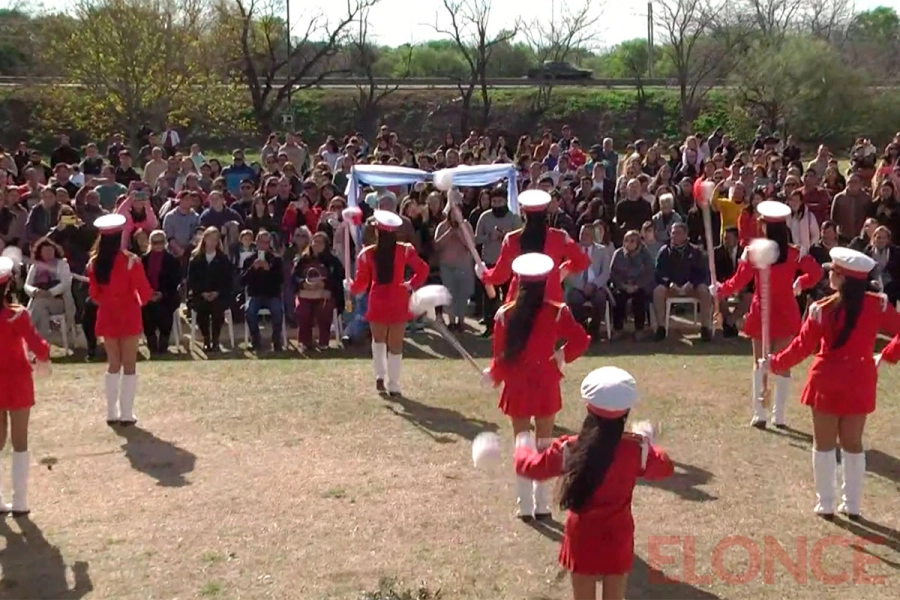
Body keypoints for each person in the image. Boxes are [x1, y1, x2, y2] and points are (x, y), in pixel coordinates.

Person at [514, 367, 674, 600]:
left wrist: (522, 444)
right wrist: (647, 442)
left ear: (588, 407)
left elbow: (531, 468)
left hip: (582, 536)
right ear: (626, 410)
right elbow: (665, 467)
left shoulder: (570, 448)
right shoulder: (636, 450)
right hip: (618, 536)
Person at [768, 248, 900, 520]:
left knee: (824, 444)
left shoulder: (822, 309)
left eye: (833, 271)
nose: (829, 274)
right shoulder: (878, 305)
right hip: (859, 380)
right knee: (853, 443)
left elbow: (802, 347)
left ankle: (826, 503)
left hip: (827, 380)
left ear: (842, 278)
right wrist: (887, 355)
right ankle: (852, 504)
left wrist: (774, 362)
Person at [483, 253, 590, 521]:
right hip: (545, 381)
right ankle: (541, 504)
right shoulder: (557, 311)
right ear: (544, 283)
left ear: (519, 282)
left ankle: (525, 505)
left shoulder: (505, 314)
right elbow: (580, 340)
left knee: (522, 442)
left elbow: (500, 357)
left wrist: (492, 374)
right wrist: (561, 356)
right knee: (544, 444)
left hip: (518, 383)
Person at [712, 201, 822, 428]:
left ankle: (762, 413)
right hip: (778, 309)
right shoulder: (792, 252)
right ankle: (774, 414)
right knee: (780, 363)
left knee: (761, 362)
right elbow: (816, 272)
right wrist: (801, 283)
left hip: (766, 309)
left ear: (764, 226)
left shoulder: (758, 252)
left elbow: (738, 281)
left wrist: (721, 289)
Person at [348, 210, 429, 396]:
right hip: (398, 299)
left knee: (378, 341)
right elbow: (423, 269)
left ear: (377, 231)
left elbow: (361, 285)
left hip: (377, 300)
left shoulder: (366, 254)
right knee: (396, 345)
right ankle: (393, 383)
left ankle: (380, 376)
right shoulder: (405, 250)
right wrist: (411, 284)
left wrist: (350, 285)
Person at [88, 214, 153, 426]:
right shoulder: (131, 260)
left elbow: (94, 295)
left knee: (113, 364)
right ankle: (126, 413)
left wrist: (109, 299)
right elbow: (144, 292)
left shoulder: (94, 263)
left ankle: (111, 412)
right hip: (128, 314)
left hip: (107, 315)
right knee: (129, 365)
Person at [0, 256, 51, 516]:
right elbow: (37, 345)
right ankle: (19, 501)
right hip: (18, 380)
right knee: (20, 441)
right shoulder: (17, 315)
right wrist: (44, 355)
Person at [479, 190, 590, 304]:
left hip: (519, 298)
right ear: (546, 212)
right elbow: (583, 261)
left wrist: (483, 273)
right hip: (551, 300)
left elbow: (500, 276)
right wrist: (565, 268)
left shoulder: (511, 239)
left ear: (523, 213)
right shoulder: (560, 237)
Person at [187, 227, 233, 352]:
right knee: (202, 309)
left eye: (215, 239)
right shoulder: (195, 258)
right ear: (205, 239)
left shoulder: (223, 259)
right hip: (200, 294)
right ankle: (206, 339)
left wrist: (217, 292)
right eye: (210, 239)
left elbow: (227, 280)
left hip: (219, 295)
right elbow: (191, 280)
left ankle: (216, 339)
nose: (212, 242)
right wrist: (202, 292)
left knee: (218, 309)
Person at [241, 230, 285, 352]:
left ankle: (276, 340)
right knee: (249, 310)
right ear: (256, 243)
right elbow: (242, 281)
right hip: (255, 295)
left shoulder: (276, 260)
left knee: (278, 310)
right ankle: (255, 340)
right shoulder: (249, 260)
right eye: (261, 242)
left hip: (272, 295)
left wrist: (268, 269)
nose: (263, 245)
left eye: (266, 243)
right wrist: (253, 268)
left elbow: (281, 280)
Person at [141, 230, 182, 355]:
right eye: (155, 242)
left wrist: (162, 294)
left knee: (165, 307)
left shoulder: (172, 260)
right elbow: (140, 280)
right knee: (146, 309)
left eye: (161, 242)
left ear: (165, 243)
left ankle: (163, 342)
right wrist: (149, 293)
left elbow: (175, 281)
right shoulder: (143, 260)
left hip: (167, 294)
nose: (158, 245)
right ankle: (152, 343)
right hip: (148, 294)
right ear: (150, 243)